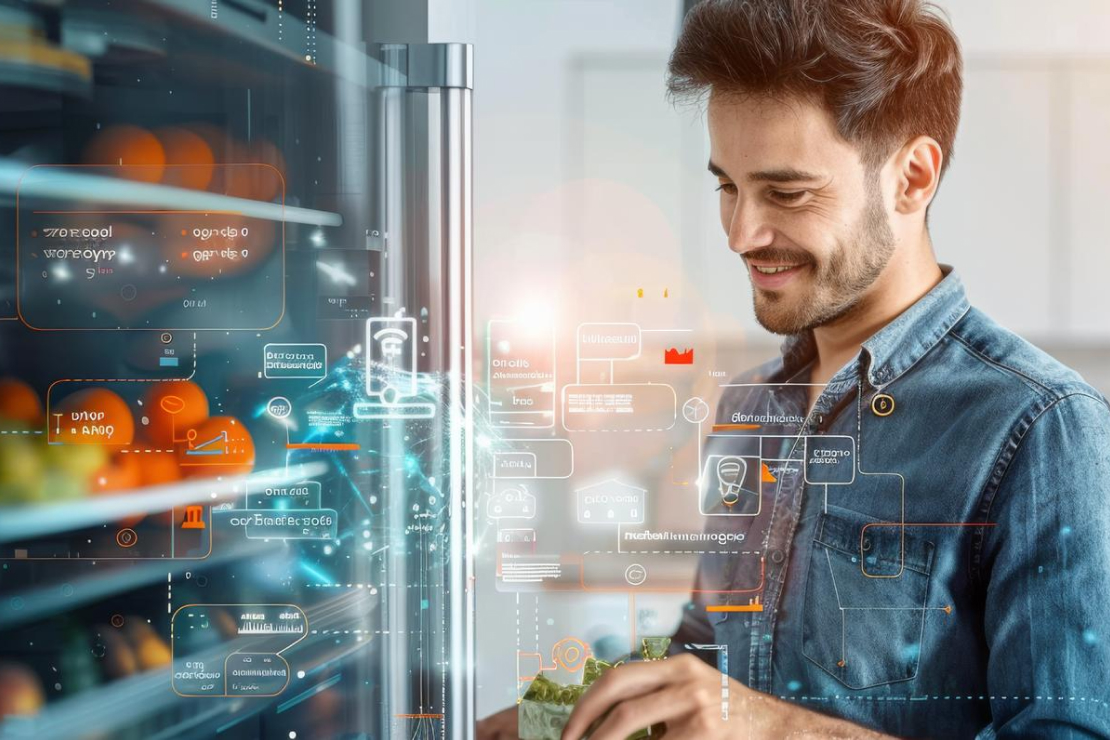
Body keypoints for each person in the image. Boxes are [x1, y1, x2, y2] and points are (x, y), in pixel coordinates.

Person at [479, 0, 1110, 737]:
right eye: (727, 186)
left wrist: (771, 727)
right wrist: (558, 719)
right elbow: (713, 663)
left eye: (786, 192)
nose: (743, 233)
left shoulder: (1041, 429)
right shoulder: (747, 409)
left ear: (911, 177)